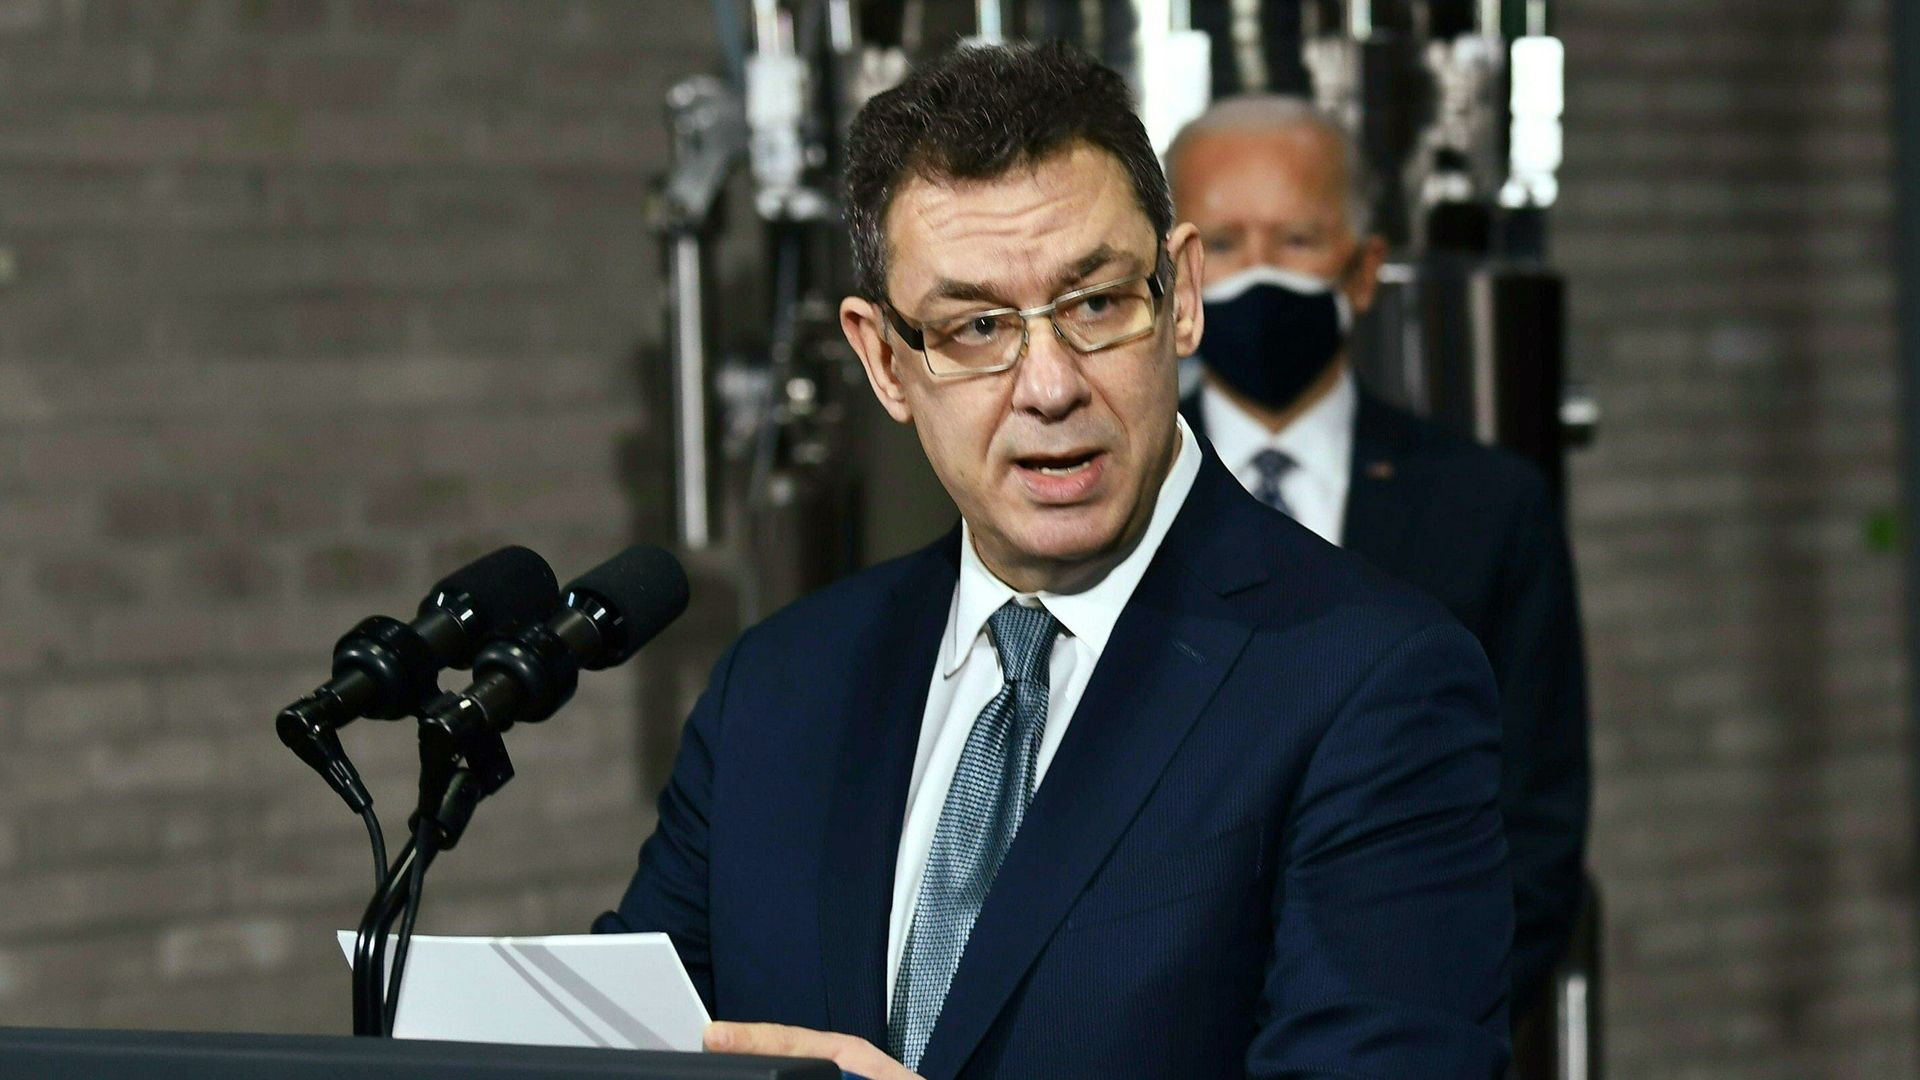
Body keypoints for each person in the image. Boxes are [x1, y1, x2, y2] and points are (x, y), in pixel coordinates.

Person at [598, 43, 1511, 1079]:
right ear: (884, 359)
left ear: (1182, 296)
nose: (1048, 387)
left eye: (1096, 305)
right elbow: (624, 1046)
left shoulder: (1370, 682)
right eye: (977, 326)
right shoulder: (776, 688)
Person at [1167, 94, 1590, 1009]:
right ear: (1173, 280)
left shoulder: (1489, 507)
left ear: (1363, 270)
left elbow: (1535, 831)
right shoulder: (1106, 505)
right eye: (1224, 245)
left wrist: (1416, 1035)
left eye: (1297, 240)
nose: (1260, 276)